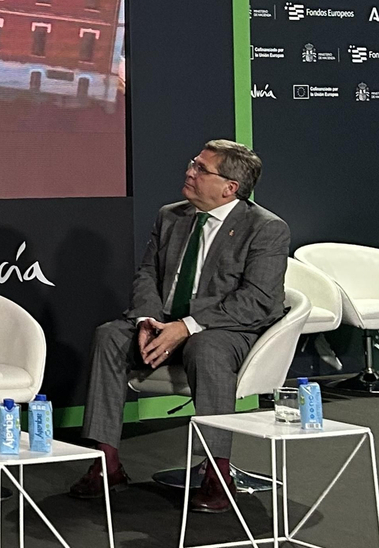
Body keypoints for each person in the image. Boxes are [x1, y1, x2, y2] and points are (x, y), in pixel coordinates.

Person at [69, 140, 289, 513]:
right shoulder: (171, 216)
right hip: (165, 323)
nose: (189, 171)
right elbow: (148, 274)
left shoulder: (265, 228)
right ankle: (107, 463)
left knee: (207, 348)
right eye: (193, 163)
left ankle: (217, 473)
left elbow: (256, 300)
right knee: (110, 335)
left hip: (229, 331)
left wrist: (187, 326)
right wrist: (146, 319)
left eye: (201, 168)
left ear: (229, 187)